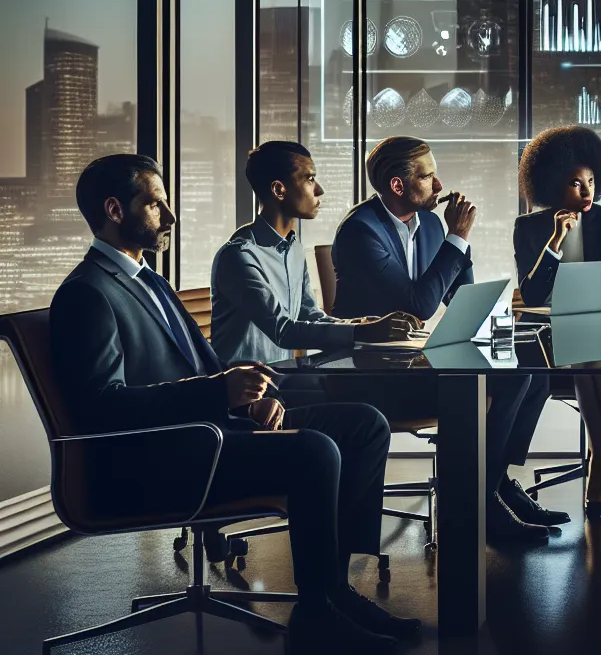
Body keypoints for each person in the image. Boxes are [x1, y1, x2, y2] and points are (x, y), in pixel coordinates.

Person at [49, 155, 415, 649]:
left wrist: (248, 399)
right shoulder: (87, 294)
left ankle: (334, 590)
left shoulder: (147, 279)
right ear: (114, 210)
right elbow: (100, 408)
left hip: (207, 432)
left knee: (364, 424)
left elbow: (205, 366)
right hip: (157, 457)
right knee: (314, 450)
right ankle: (316, 615)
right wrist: (218, 392)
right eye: (155, 205)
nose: (170, 217)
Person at [330, 135, 559, 542]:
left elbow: (459, 296)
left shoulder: (431, 223)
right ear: (398, 186)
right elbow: (418, 304)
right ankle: (479, 506)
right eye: (428, 176)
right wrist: (458, 238)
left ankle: (494, 484)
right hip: (372, 376)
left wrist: (461, 255)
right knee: (509, 380)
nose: (439, 186)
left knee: (533, 371)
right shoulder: (359, 231)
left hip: (416, 360)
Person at [514, 125, 601, 519]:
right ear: (554, 183)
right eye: (576, 183)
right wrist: (556, 239)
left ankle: (600, 459)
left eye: (592, 182)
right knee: (597, 364)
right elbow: (535, 295)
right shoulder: (530, 228)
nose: (587, 192)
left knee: (597, 359)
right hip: (552, 341)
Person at [210, 141, 417, 369]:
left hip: (283, 379)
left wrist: (362, 324)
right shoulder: (239, 256)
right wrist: (363, 332)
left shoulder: (294, 248)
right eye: (309, 179)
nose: (318, 190)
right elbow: (283, 330)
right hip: (246, 392)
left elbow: (309, 315)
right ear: (279, 190)